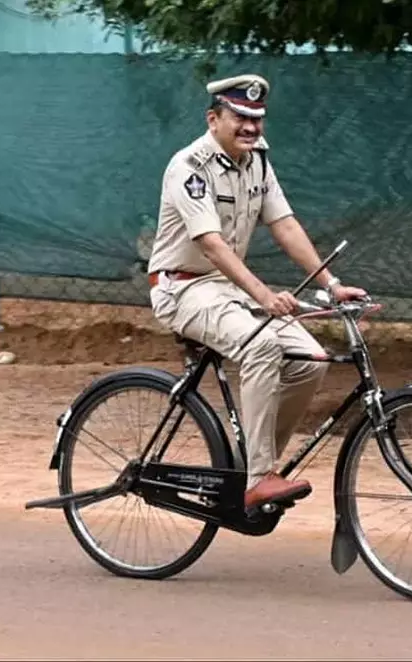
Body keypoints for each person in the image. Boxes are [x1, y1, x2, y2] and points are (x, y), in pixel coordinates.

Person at [146, 73, 367, 510]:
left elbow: (284, 225)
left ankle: (250, 466)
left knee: (311, 360)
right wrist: (265, 296)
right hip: (183, 289)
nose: (250, 127)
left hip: (228, 290)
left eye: (257, 119)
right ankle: (258, 477)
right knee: (262, 345)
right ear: (214, 119)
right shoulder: (190, 167)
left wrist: (332, 284)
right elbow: (210, 244)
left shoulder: (258, 161)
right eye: (239, 117)